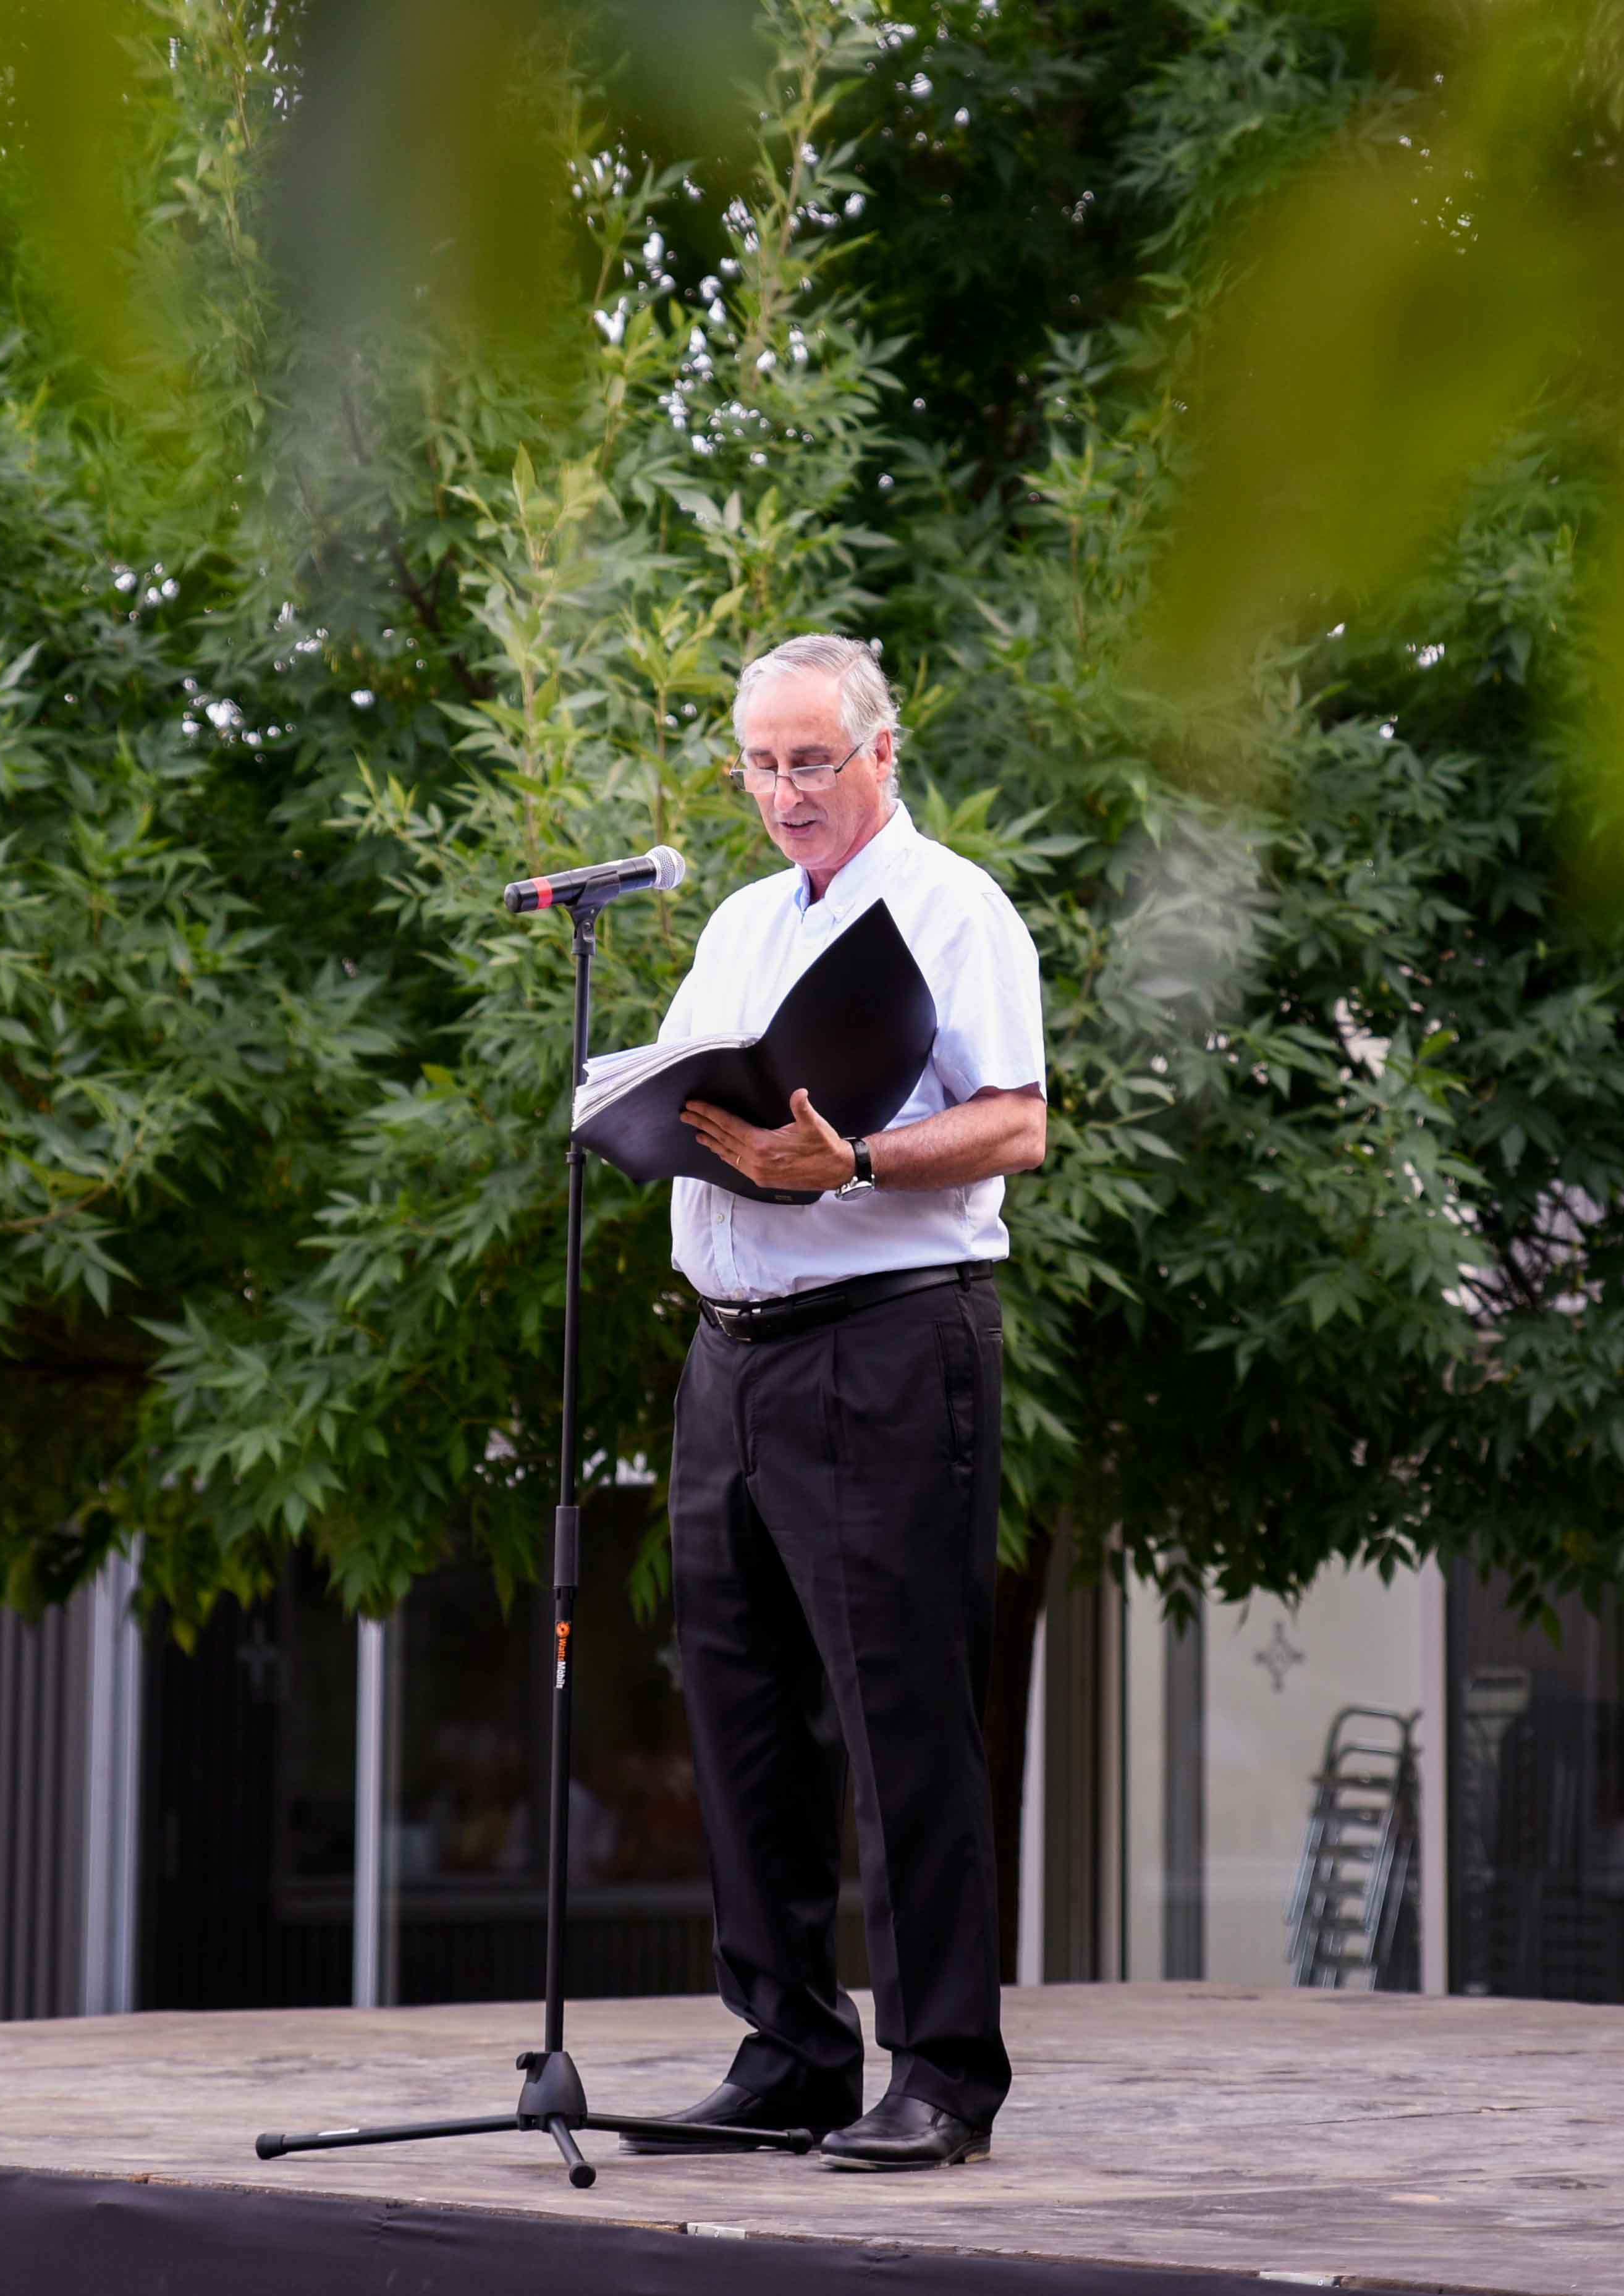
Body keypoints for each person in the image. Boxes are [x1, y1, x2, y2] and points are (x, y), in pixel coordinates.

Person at [624, 632, 1046, 2172]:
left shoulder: (953, 907)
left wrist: (856, 1161)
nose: (785, 791)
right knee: (738, 1713)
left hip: (883, 1339)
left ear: (882, 751)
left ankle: (939, 2068)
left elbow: (1017, 1122)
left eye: (813, 760)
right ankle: (791, 2047)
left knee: (901, 1715)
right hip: (730, 1353)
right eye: (760, 763)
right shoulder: (737, 921)